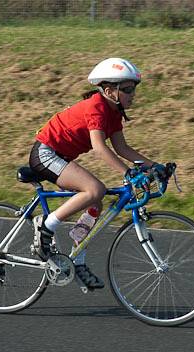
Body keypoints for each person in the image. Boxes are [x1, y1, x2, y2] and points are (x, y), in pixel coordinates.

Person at [28, 57, 162, 290]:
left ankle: (77, 260)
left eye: (134, 89)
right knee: (95, 190)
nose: (133, 95)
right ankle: (45, 226)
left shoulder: (114, 113)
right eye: (128, 89)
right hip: (46, 153)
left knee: (95, 203)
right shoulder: (97, 106)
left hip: (62, 157)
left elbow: (122, 148)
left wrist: (154, 166)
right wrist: (127, 173)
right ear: (109, 91)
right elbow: (100, 147)